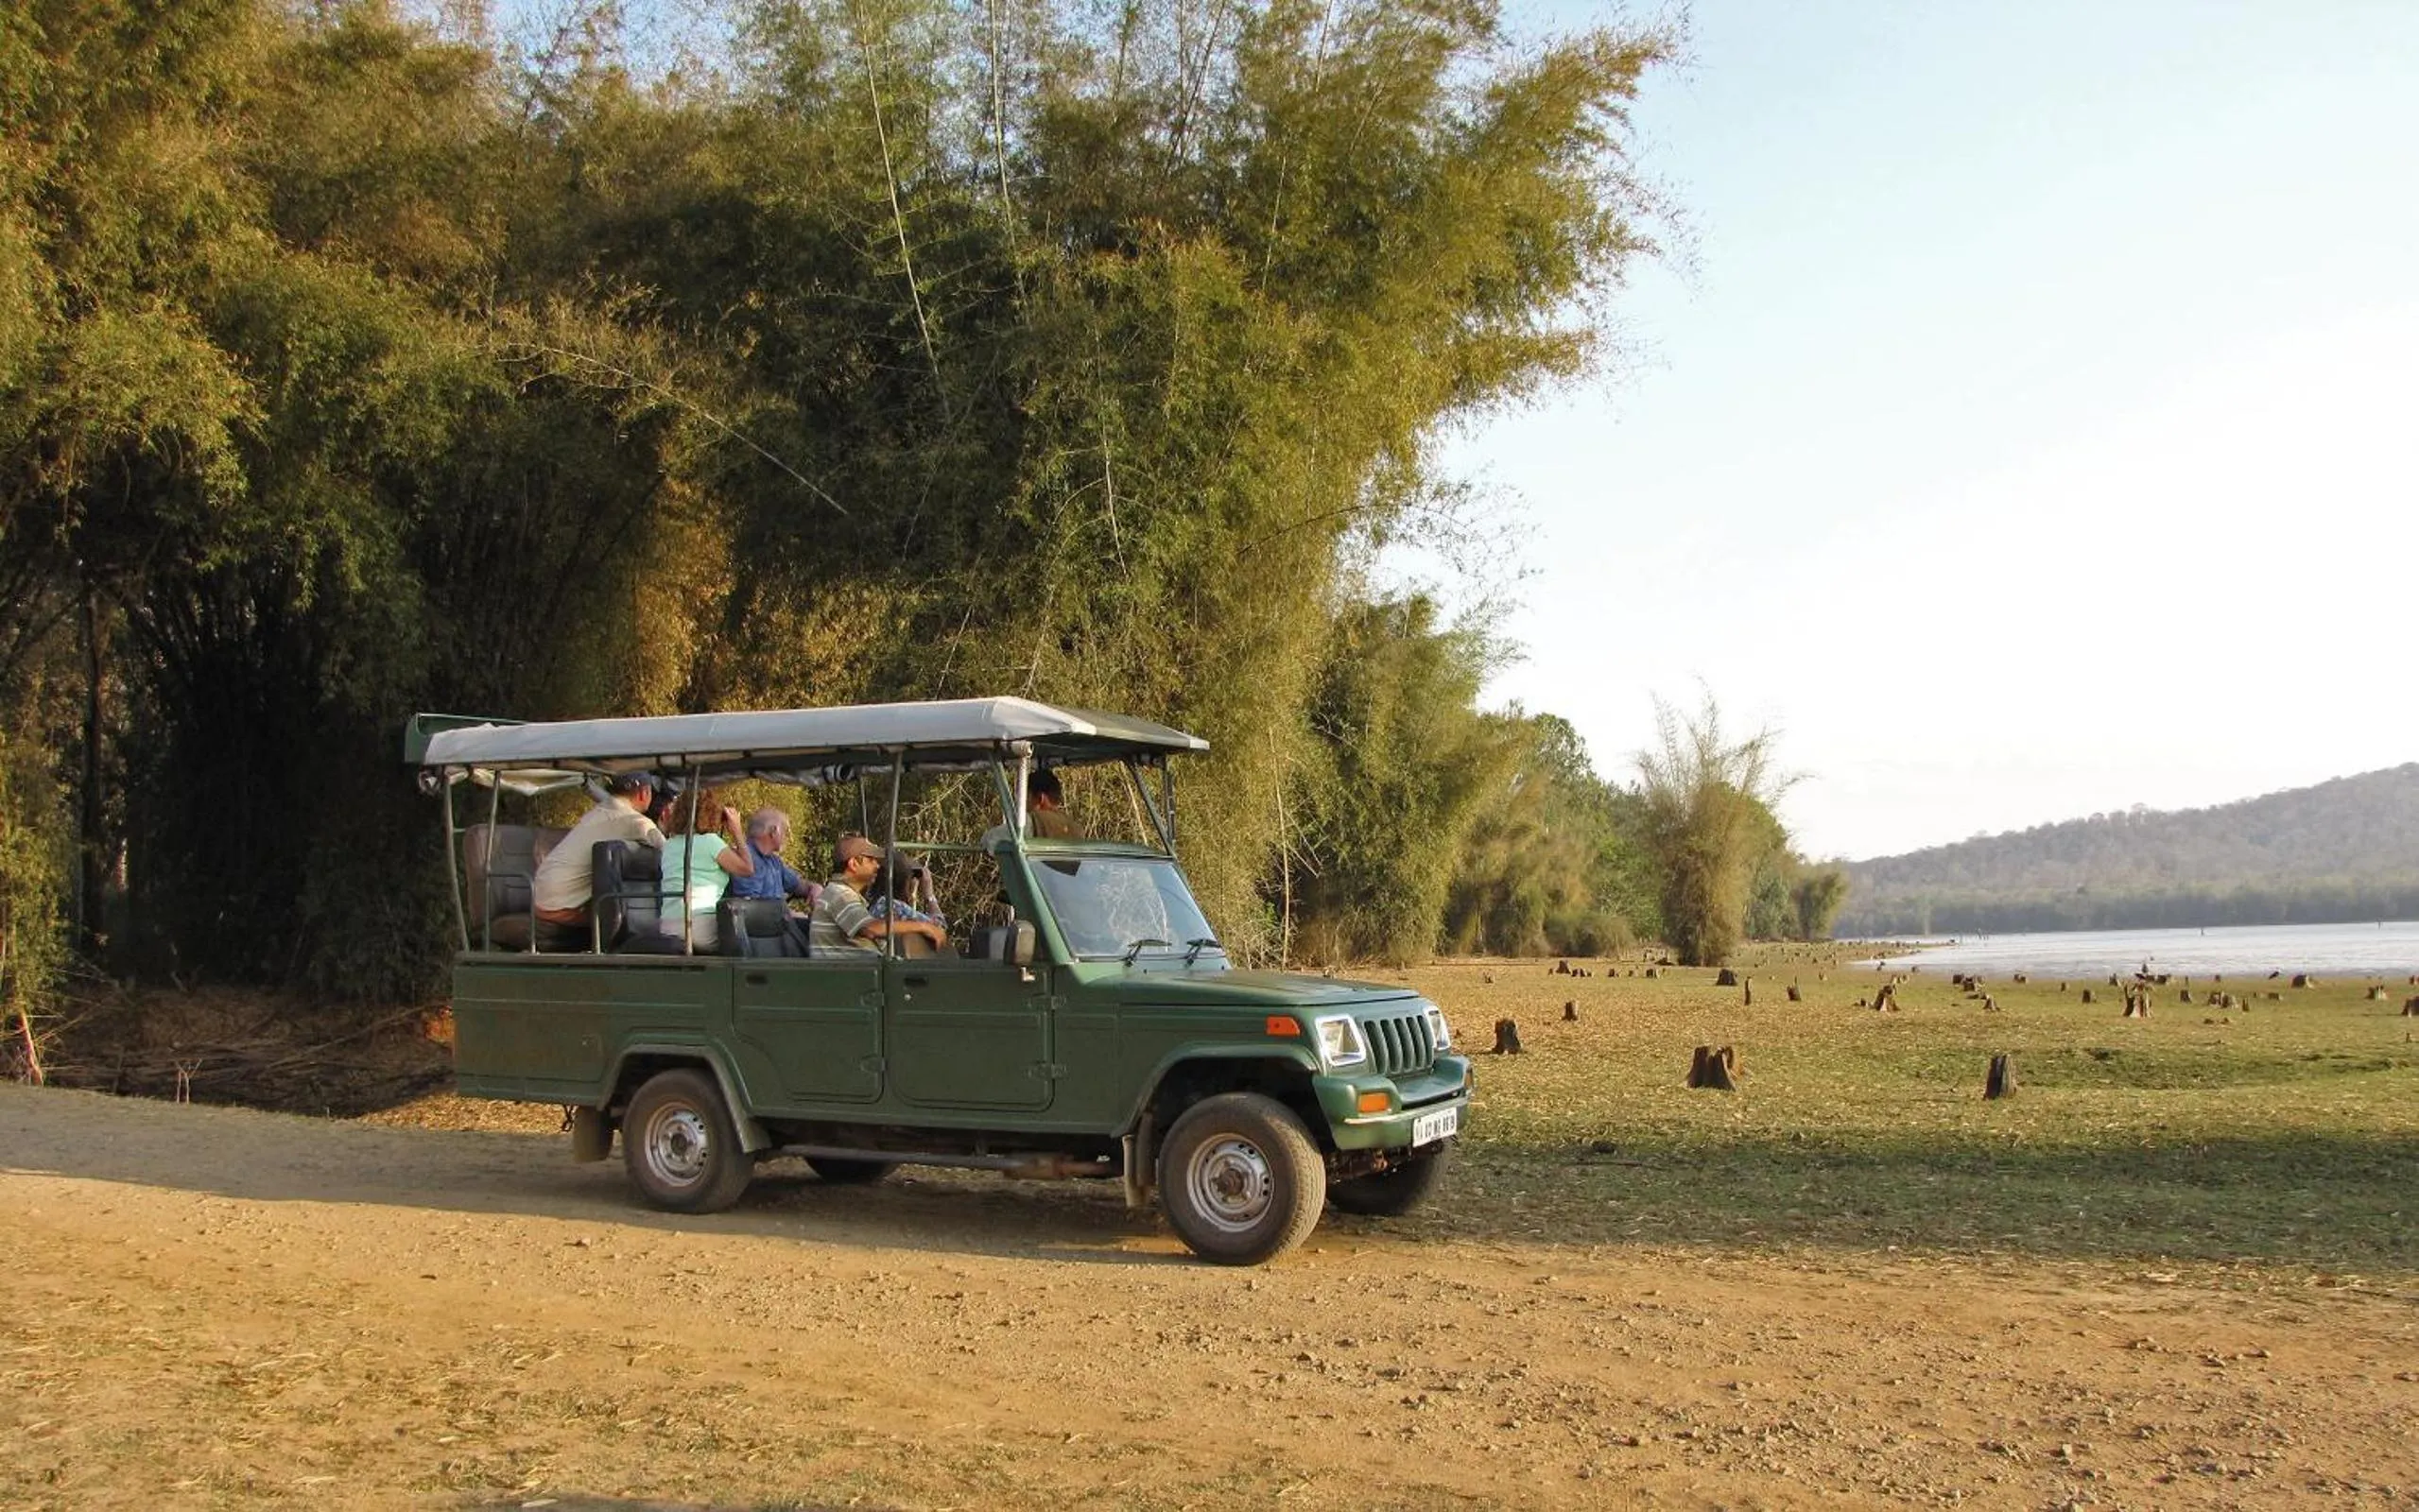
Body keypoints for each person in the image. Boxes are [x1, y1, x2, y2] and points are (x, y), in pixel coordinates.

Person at [532, 771, 666, 943]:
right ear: (644, 793)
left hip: (541, 894)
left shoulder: (599, 811)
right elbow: (671, 853)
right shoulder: (636, 822)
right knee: (626, 918)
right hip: (557, 907)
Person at [810, 835, 947, 957]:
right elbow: (870, 929)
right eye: (871, 860)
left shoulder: (844, 894)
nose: (877, 865)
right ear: (853, 864)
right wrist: (925, 927)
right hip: (851, 979)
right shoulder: (839, 893)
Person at [655, 785, 754, 948]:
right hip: (699, 929)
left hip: (669, 928)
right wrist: (737, 831)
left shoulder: (670, 845)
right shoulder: (711, 843)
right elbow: (747, 869)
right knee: (756, 930)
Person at [727, 807, 817, 903]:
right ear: (773, 832)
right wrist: (788, 914)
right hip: (764, 918)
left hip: (775, 916)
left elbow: (796, 885)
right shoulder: (745, 859)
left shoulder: (774, 861)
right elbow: (749, 907)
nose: (788, 839)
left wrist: (813, 888)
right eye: (785, 832)